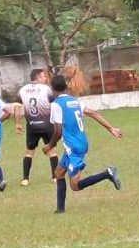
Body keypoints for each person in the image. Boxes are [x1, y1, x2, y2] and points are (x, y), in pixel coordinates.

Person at [44, 74, 123, 214]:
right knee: (59, 172)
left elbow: (58, 131)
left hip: (74, 148)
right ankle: (60, 209)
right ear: (66, 87)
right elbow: (93, 113)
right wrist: (111, 128)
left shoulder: (56, 104)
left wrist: (49, 145)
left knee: (75, 186)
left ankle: (108, 173)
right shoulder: (74, 101)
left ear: (53, 89)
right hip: (79, 143)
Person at [14, 68, 59, 186]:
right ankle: (55, 177)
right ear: (38, 78)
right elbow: (54, 105)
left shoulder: (22, 90)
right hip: (47, 125)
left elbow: (17, 107)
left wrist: (18, 123)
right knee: (52, 151)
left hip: (32, 126)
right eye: (44, 76)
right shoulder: (46, 89)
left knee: (29, 153)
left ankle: (25, 179)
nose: (46, 78)